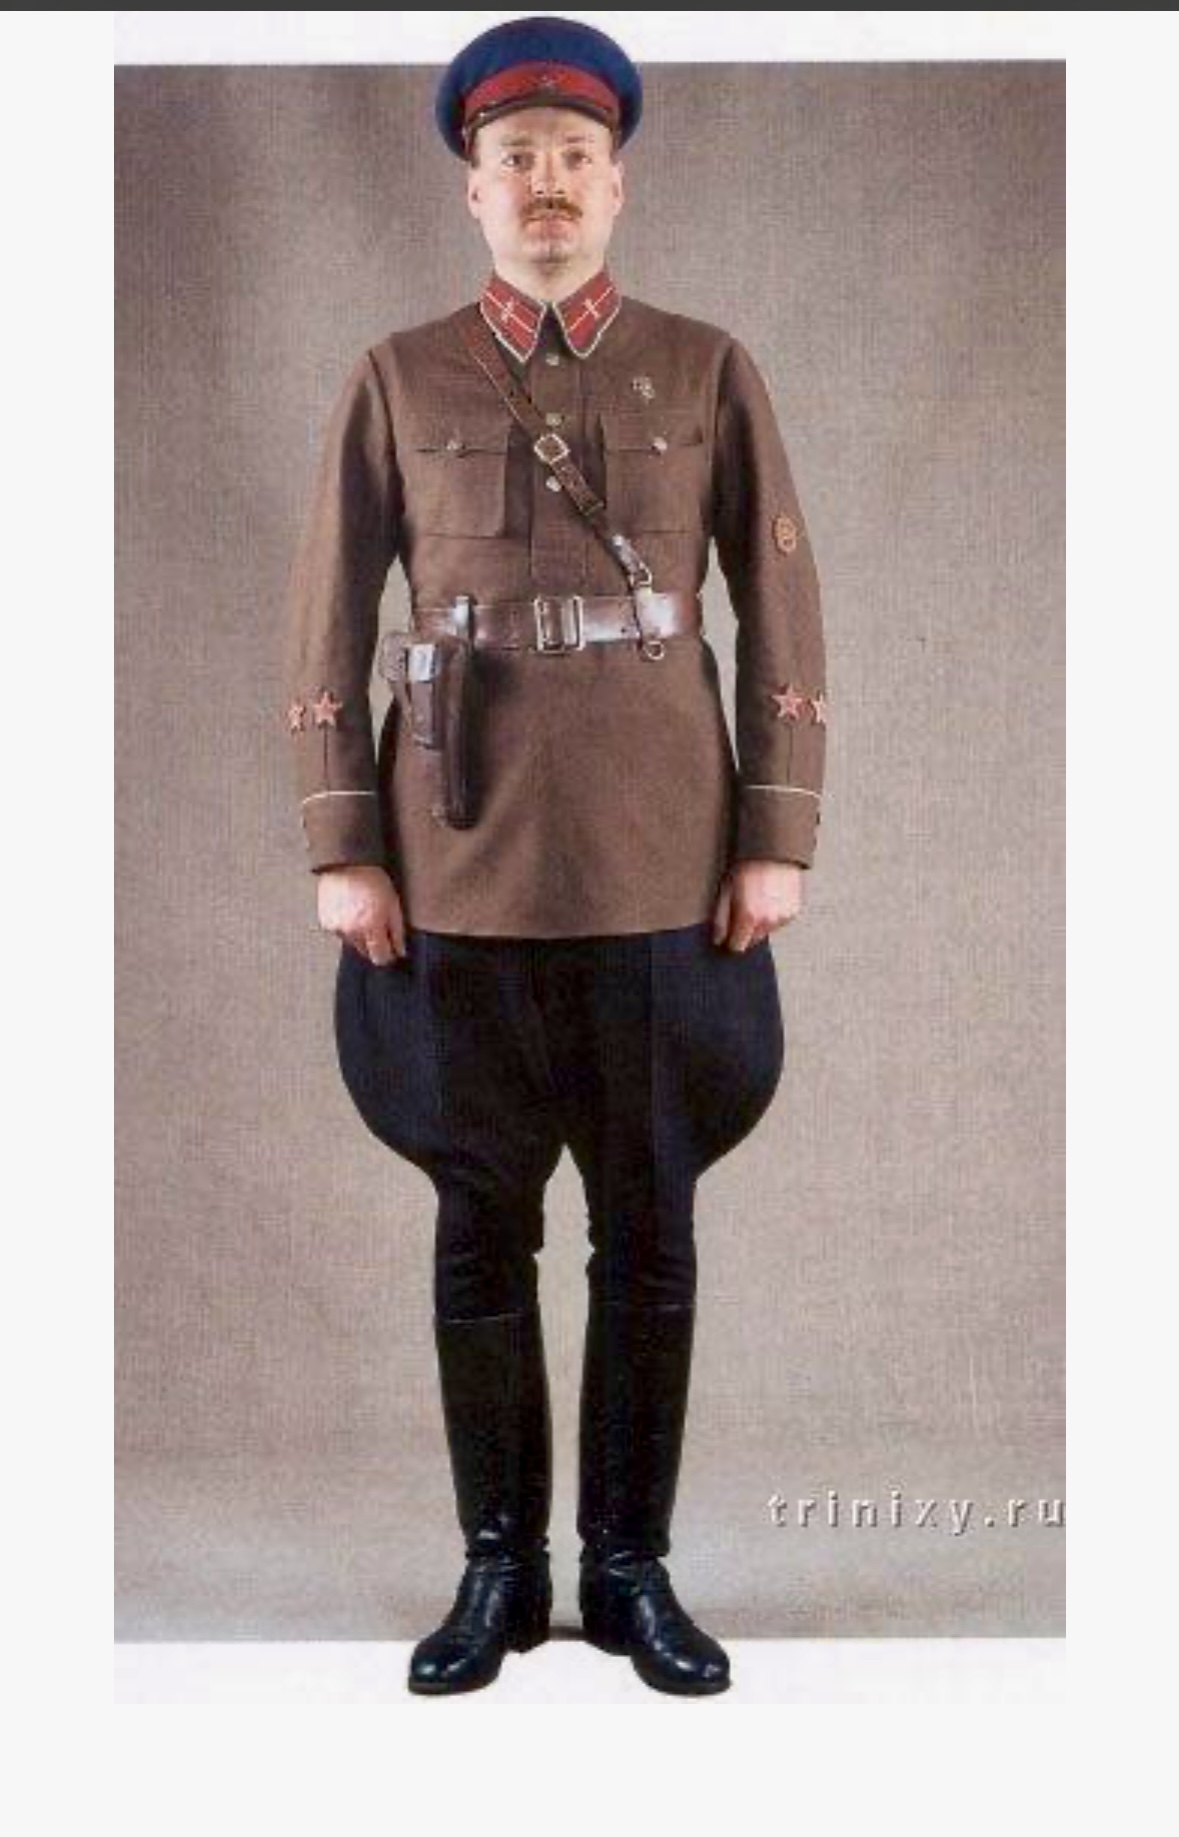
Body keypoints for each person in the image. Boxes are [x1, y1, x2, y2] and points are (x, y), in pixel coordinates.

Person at [282, 14, 828, 1697]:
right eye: (515, 159)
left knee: (649, 1232)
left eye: (574, 157)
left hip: (665, 867)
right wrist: (344, 844)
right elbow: (327, 612)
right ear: (472, 189)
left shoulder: (706, 366)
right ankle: (499, 1570)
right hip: (456, 868)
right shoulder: (399, 375)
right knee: (479, 1226)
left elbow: (781, 598)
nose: (546, 186)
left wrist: (777, 832)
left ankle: (633, 1570)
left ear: (618, 183)